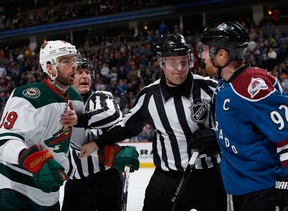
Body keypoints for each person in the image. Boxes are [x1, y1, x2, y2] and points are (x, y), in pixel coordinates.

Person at [78, 33, 227, 211]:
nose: (179, 68)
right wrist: (96, 143)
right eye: (172, 63)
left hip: (210, 178)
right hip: (167, 180)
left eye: (184, 61)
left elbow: (235, 126)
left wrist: (217, 137)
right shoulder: (149, 96)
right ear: (161, 62)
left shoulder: (210, 89)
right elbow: (126, 127)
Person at [198, 21, 288, 211]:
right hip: (237, 188)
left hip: (262, 189)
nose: (202, 56)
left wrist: (286, 180)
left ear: (222, 54)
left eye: (206, 50)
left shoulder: (251, 85)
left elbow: (285, 133)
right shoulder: (224, 85)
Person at [0, 40, 83, 211]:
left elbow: (77, 142)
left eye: (74, 60)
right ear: (50, 67)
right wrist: (32, 160)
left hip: (50, 191)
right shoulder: (29, 96)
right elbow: (5, 140)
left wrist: (105, 151)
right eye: (66, 61)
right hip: (14, 189)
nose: (74, 65)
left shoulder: (75, 98)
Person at [61, 57, 125, 211]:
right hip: (75, 183)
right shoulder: (59, 102)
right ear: (70, 77)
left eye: (88, 72)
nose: (85, 76)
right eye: (79, 72)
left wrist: (79, 120)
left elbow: (113, 114)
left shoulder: (100, 97)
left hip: (106, 180)